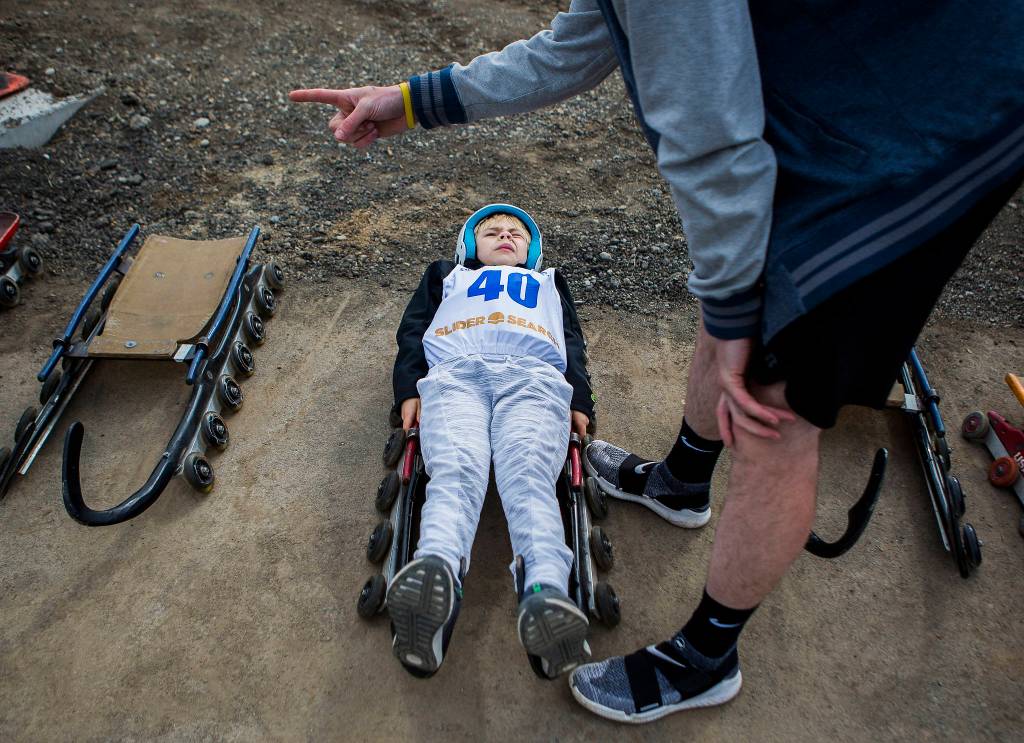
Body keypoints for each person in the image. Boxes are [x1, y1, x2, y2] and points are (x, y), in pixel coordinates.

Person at [291, 0, 1024, 722]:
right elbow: (575, 46)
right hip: (853, 92)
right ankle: (682, 482)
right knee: (731, 312)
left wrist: (740, 314)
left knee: (774, 398)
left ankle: (705, 657)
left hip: (921, 134)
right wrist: (413, 100)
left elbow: (711, 135)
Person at [384, 203, 597, 679]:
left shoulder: (548, 282)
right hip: (455, 374)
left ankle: (545, 589)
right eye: (492, 231)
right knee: (457, 468)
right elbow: (413, 329)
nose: (504, 236)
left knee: (528, 476)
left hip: (535, 378)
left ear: (531, 249)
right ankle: (435, 570)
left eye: (516, 233)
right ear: (469, 245)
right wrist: (407, 387)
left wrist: (580, 399)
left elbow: (572, 339)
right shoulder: (447, 275)